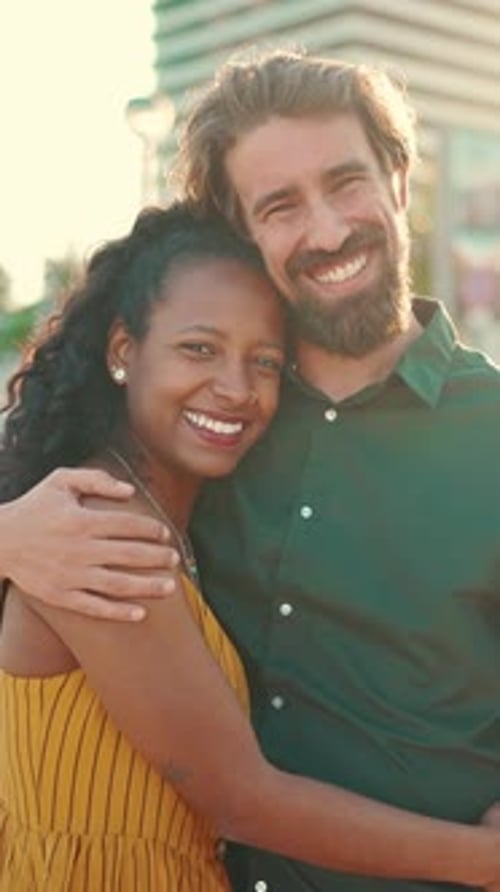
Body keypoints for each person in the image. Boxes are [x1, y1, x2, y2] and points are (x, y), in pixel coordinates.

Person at [2, 47, 500, 890]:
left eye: (347, 182)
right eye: (280, 205)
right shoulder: (217, 428)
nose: (329, 229)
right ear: (245, 234)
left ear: (401, 182)